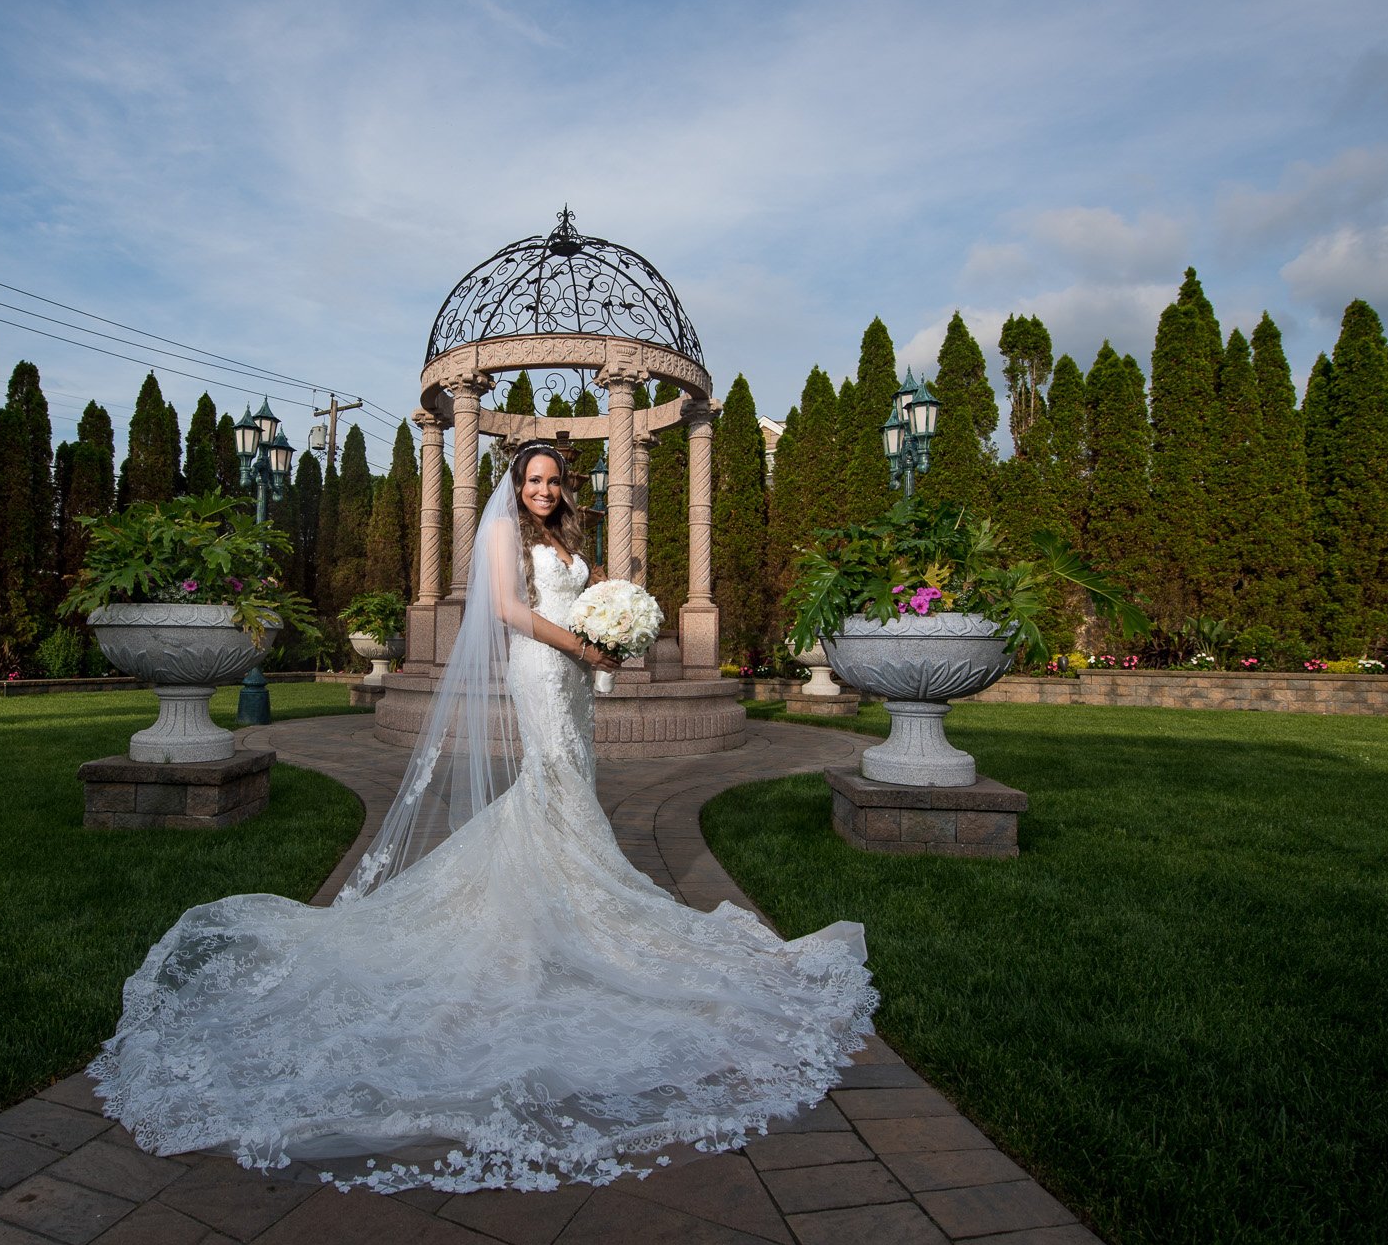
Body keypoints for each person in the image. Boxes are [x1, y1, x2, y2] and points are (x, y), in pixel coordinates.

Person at [90, 441, 875, 1192]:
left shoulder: (571, 536)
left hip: (574, 672)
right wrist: (578, 644)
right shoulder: (501, 529)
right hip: (543, 667)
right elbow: (503, 609)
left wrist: (612, 634)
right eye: (533, 480)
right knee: (556, 779)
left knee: (567, 785)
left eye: (553, 482)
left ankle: (564, 898)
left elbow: (595, 599)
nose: (544, 491)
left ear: (566, 485)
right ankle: (566, 909)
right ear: (516, 483)